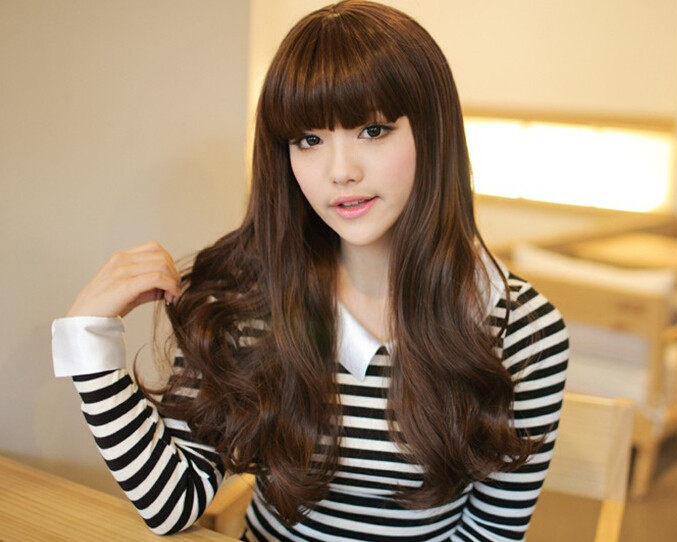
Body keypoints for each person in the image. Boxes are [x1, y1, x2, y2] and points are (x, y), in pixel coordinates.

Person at [51, 1, 569, 540]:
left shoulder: (524, 330)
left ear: (433, 134)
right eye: (309, 140)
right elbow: (173, 503)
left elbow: (488, 534)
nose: (340, 171)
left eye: (373, 130)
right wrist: (89, 344)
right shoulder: (247, 297)